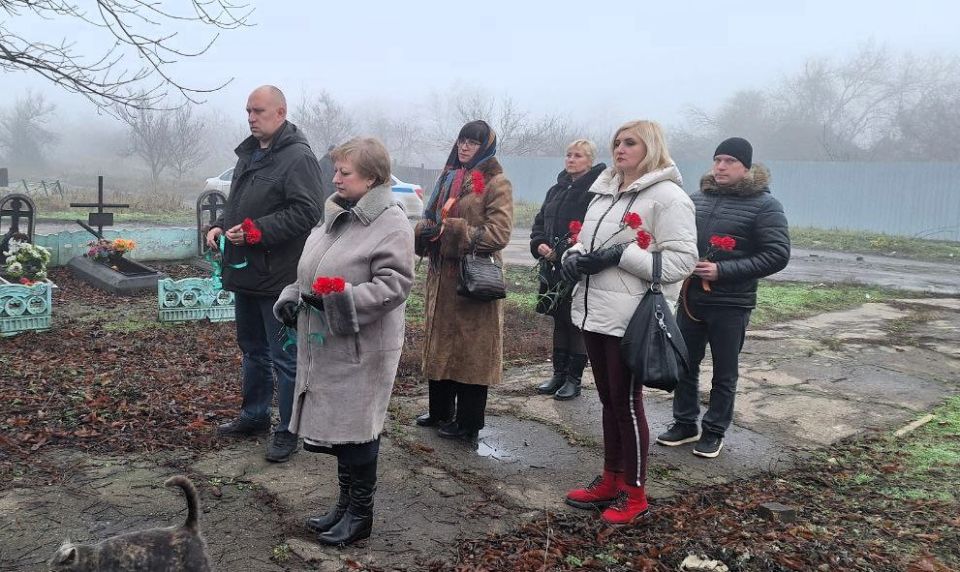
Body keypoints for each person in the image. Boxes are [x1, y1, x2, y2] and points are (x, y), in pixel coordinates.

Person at [273, 137, 414, 546]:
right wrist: (292, 298)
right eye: (335, 170)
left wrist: (340, 300)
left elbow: (395, 285)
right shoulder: (336, 214)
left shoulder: (391, 223)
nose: (335, 178)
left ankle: (360, 516)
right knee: (341, 431)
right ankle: (344, 506)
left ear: (371, 178)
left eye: (345, 172)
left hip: (363, 348)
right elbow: (309, 271)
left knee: (359, 431)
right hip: (328, 345)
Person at [560, 120, 697, 524]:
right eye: (617, 142)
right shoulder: (604, 191)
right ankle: (611, 479)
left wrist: (620, 255)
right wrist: (573, 257)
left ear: (650, 147)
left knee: (627, 405)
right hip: (596, 310)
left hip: (633, 316)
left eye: (630, 142)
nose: (620, 148)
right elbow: (588, 241)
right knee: (609, 401)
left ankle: (634, 494)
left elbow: (680, 262)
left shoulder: (668, 197)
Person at [206, 85, 324, 463]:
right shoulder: (251, 153)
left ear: (281, 113)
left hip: (279, 278)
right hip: (246, 273)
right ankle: (254, 415)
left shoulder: (298, 158)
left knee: (285, 357)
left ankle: (288, 430)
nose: (251, 118)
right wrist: (220, 225)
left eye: (258, 111)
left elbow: (307, 212)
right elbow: (240, 203)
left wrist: (258, 231)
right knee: (253, 350)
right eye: (248, 111)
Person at [657, 137, 790, 458]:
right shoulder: (697, 199)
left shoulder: (765, 205)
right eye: (717, 160)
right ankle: (685, 423)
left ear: (746, 167)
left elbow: (777, 254)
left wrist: (723, 270)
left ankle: (714, 430)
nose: (721, 166)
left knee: (724, 372)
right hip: (691, 299)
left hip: (732, 303)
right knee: (684, 363)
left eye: (730, 161)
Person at [413, 120, 514, 442]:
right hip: (442, 279)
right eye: (462, 140)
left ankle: (469, 422)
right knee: (441, 344)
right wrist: (425, 231)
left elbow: (499, 234)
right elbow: (430, 217)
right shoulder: (448, 177)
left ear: (486, 147)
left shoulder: (495, 182)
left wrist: (454, 232)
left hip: (473, 280)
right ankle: (440, 411)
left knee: (471, 351)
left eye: (472, 142)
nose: (464, 147)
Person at [529, 140, 606, 400]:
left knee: (575, 322)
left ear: (590, 161)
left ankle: (574, 379)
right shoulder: (556, 189)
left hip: (575, 267)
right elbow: (540, 222)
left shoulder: (595, 192)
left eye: (578, 156)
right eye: (568, 155)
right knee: (559, 320)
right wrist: (539, 243)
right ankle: (558, 374)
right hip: (551, 267)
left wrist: (563, 252)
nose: (571, 159)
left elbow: (593, 232)